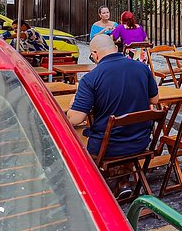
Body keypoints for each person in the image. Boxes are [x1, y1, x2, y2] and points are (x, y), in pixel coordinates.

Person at [67, 34, 159, 198]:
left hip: (109, 147)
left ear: (94, 54)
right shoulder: (142, 68)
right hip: (141, 141)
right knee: (118, 130)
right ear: (116, 48)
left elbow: (75, 119)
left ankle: (87, 186)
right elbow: (154, 99)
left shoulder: (91, 78)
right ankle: (123, 180)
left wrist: (73, 102)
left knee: (76, 134)